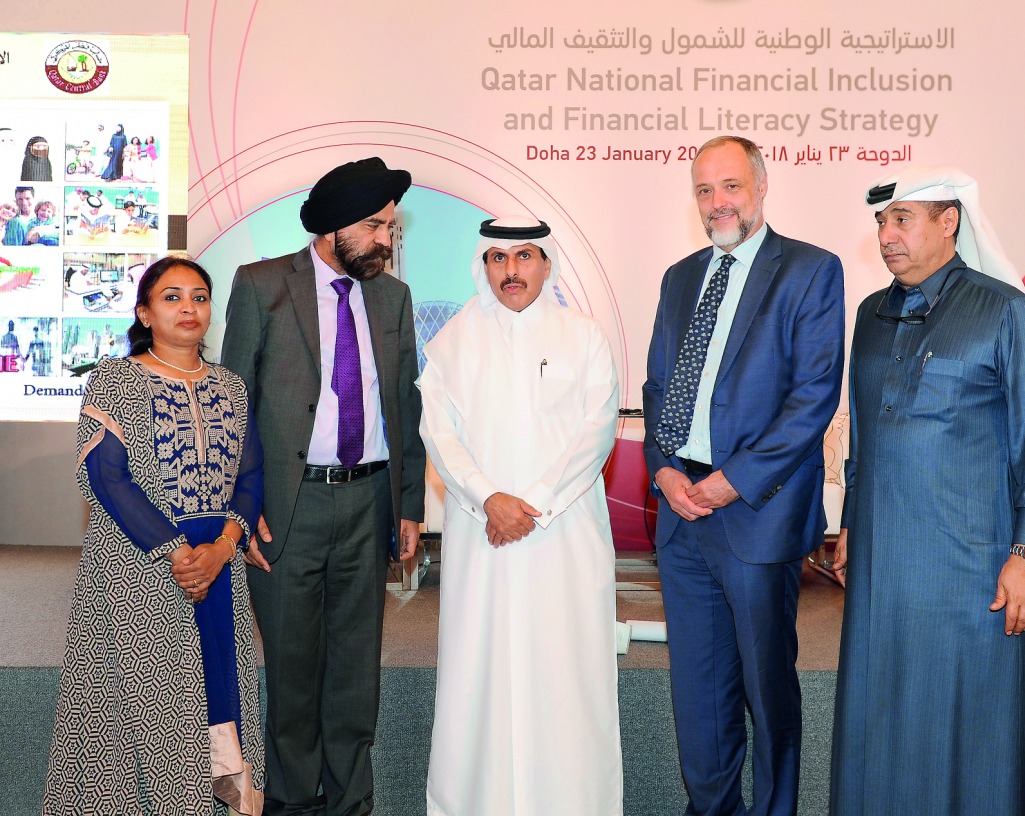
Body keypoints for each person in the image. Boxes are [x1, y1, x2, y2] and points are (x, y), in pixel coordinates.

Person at [829, 166, 1025, 816]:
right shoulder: (871, 314)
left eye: (902, 219)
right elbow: (865, 439)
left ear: (949, 222)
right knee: (883, 721)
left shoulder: (1006, 312)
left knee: (977, 732)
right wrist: (854, 523)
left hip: (974, 574)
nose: (886, 234)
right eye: (881, 220)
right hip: (886, 574)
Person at [643, 135, 845, 815]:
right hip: (682, 512)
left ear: (761, 187)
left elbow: (814, 396)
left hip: (754, 510)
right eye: (704, 190)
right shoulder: (679, 277)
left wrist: (733, 480)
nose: (717, 202)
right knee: (699, 691)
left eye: (730, 186)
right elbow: (658, 388)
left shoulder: (811, 271)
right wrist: (665, 473)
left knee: (766, 687)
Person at [222, 156, 425, 816]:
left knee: (353, 671)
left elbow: (403, 405)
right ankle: (288, 802)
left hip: (369, 501)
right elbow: (235, 408)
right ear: (334, 226)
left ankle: (349, 804)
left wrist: (410, 505)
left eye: (392, 228)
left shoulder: (393, 298)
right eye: (375, 226)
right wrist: (243, 508)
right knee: (292, 668)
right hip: (290, 505)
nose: (386, 240)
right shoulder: (261, 286)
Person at [43, 257, 265, 815]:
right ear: (144, 312)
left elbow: (252, 473)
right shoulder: (115, 379)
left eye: (199, 296)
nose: (188, 307)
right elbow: (106, 477)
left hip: (215, 567)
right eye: (172, 297)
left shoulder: (232, 387)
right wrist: (175, 550)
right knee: (143, 707)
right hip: (138, 569)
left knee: (218, 693)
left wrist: (222, 547)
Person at [421, 216, 623, 816]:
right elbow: (440, 432)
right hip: (483, 537)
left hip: (562, 535)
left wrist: (529, 503)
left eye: (525, 256)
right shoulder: (451, 341)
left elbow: (597, 431)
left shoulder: (583, 336)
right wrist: (488, 497)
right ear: (483, 266)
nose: (511, 271)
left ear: (547, 263)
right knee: (477, 676)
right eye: (498, 259)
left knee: (568, 679)